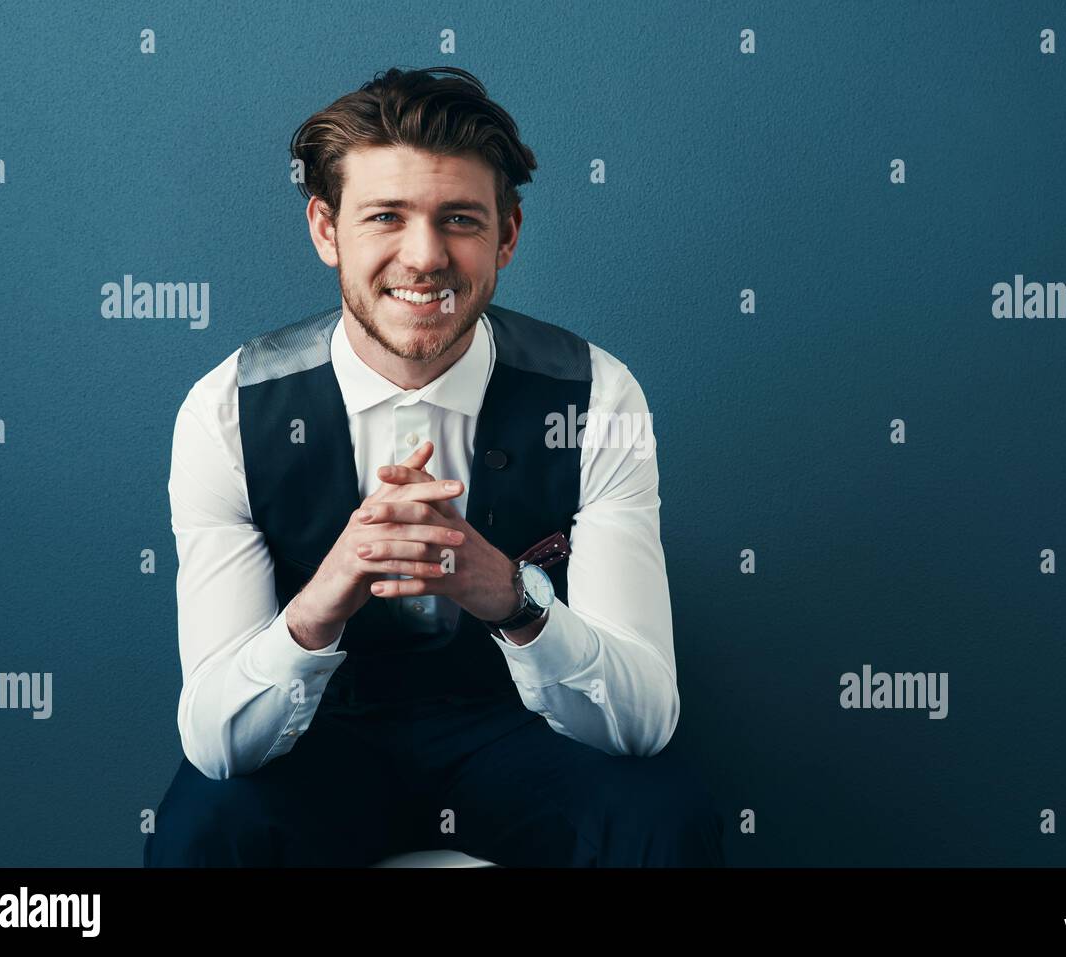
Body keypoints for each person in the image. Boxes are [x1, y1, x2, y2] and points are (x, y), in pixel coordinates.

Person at [143, 66, 725, 867]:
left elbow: (644, 720)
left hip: (521, 736)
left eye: (459, 219)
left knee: (664, 818)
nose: (424, 257)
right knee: (201, 831)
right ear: (326, 229)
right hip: (321, 743)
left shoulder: (598, 394)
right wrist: (321, 602)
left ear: (507, 236)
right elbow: (217, 741)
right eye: (386, 216)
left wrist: (513, 600)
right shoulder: (225, 411)